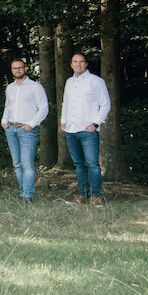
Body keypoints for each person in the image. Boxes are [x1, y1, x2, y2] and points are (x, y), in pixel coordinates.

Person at [61, 53, 111, 208]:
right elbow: (66, 103)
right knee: (79, 164)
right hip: (71, 130)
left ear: (86, 64)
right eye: (75, 62)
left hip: (88, 131)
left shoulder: (96, 81)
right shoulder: (69, 82)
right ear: (71, 64)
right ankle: (83, 195)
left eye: (81, 62)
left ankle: (95, 196)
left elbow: (106, 104)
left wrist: (95, 124)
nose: (78, 64)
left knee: (92, 164)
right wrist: (63, 122)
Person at [1, 58, 48, 203]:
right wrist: (4, 121)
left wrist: (32, 124)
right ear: (11, 70)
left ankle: (28, 195)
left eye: (20, 68)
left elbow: (44, 108)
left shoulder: (35, 87)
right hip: (11, 128)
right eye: (14, 68)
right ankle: (22, 193)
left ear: (25, 69)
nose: (17, 70)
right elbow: (8, 106)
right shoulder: (10, 88)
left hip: (27, 129)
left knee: (27, 163)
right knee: (17, 163)